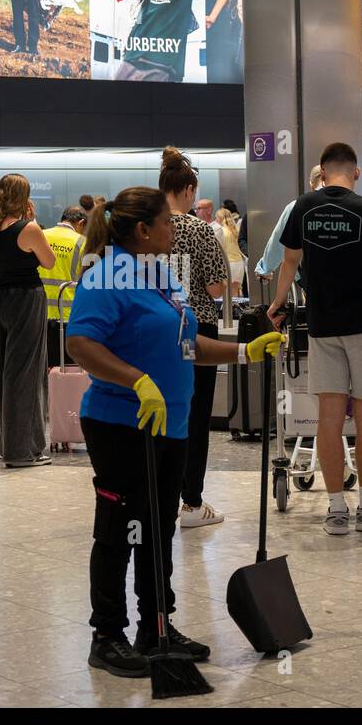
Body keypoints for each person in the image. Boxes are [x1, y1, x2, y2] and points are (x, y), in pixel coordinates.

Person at [65, 186, 282, 677]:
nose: (173, 229)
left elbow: (189, 347)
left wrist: (244, 352)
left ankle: (156, 625)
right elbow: (79, 342)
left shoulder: (162, 276)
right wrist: (136, 379)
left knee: (159, 528)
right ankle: (107, 634)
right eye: (165, 222)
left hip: (172, 423)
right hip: (123, 423)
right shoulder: (105, 277)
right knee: (121, 529)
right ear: (142, 230)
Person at [266, 142, 362, 534]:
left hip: (323, 326)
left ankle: (336, 509)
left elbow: (288, 262)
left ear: (321, 172)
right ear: (355, 172)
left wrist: (276, 305)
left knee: (329, 416)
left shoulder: (303, 207)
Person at [160, 148, 229, 528]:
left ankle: (159, 493)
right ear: (188, 190)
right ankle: (192, 501)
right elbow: (217, 288)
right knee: (194, 412)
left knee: (161, 407)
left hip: (154, 329)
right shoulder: (199, 229)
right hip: (195, 330)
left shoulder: (145, 226)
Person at [0, 173, 54, 467]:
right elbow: (49, 262)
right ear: (26, 197)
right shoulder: (28, 229)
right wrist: (33, 222)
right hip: (26, 300)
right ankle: (22, 452)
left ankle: (11, 446)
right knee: (25, 375)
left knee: (3, 372)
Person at [256, 165, 323, 284]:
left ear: (311, 184)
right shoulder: (350, 204)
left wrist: (265, 269)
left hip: (310, 277)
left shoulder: (296, 206)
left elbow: (278, 242)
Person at [41, 206, 87, 324]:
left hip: (39, 310)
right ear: (81, 223)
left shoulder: (41, 235)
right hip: (67, 312)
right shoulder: (82, 242)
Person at [216, 207, 245, 298]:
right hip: (239, 264)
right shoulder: (236, 230)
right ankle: (234, 312)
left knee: (224, 296)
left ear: (219, 218)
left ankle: (225, 312)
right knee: (235, 294)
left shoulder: (220, 231)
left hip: (227, 264)